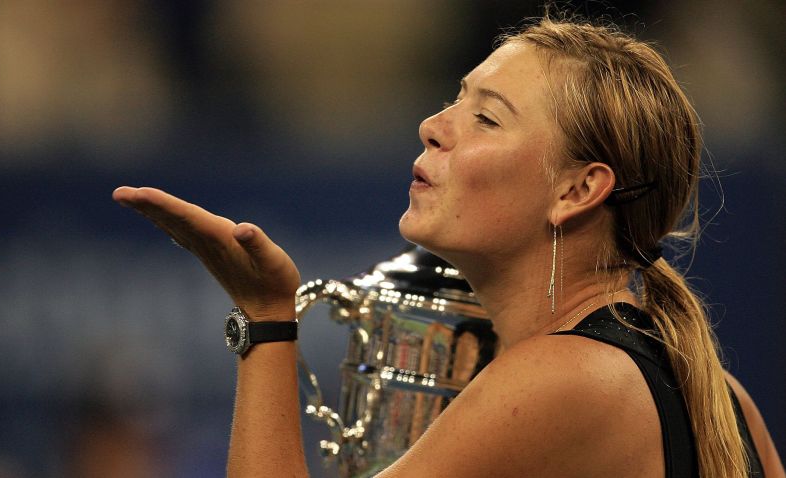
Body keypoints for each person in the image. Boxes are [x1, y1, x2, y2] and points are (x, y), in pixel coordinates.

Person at [113, 15, 784, 478]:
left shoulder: (564, 378)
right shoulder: (721, 396)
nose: (433, 126)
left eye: (486, 117)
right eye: (454, 103)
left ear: (578, 191)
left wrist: (264, 315)